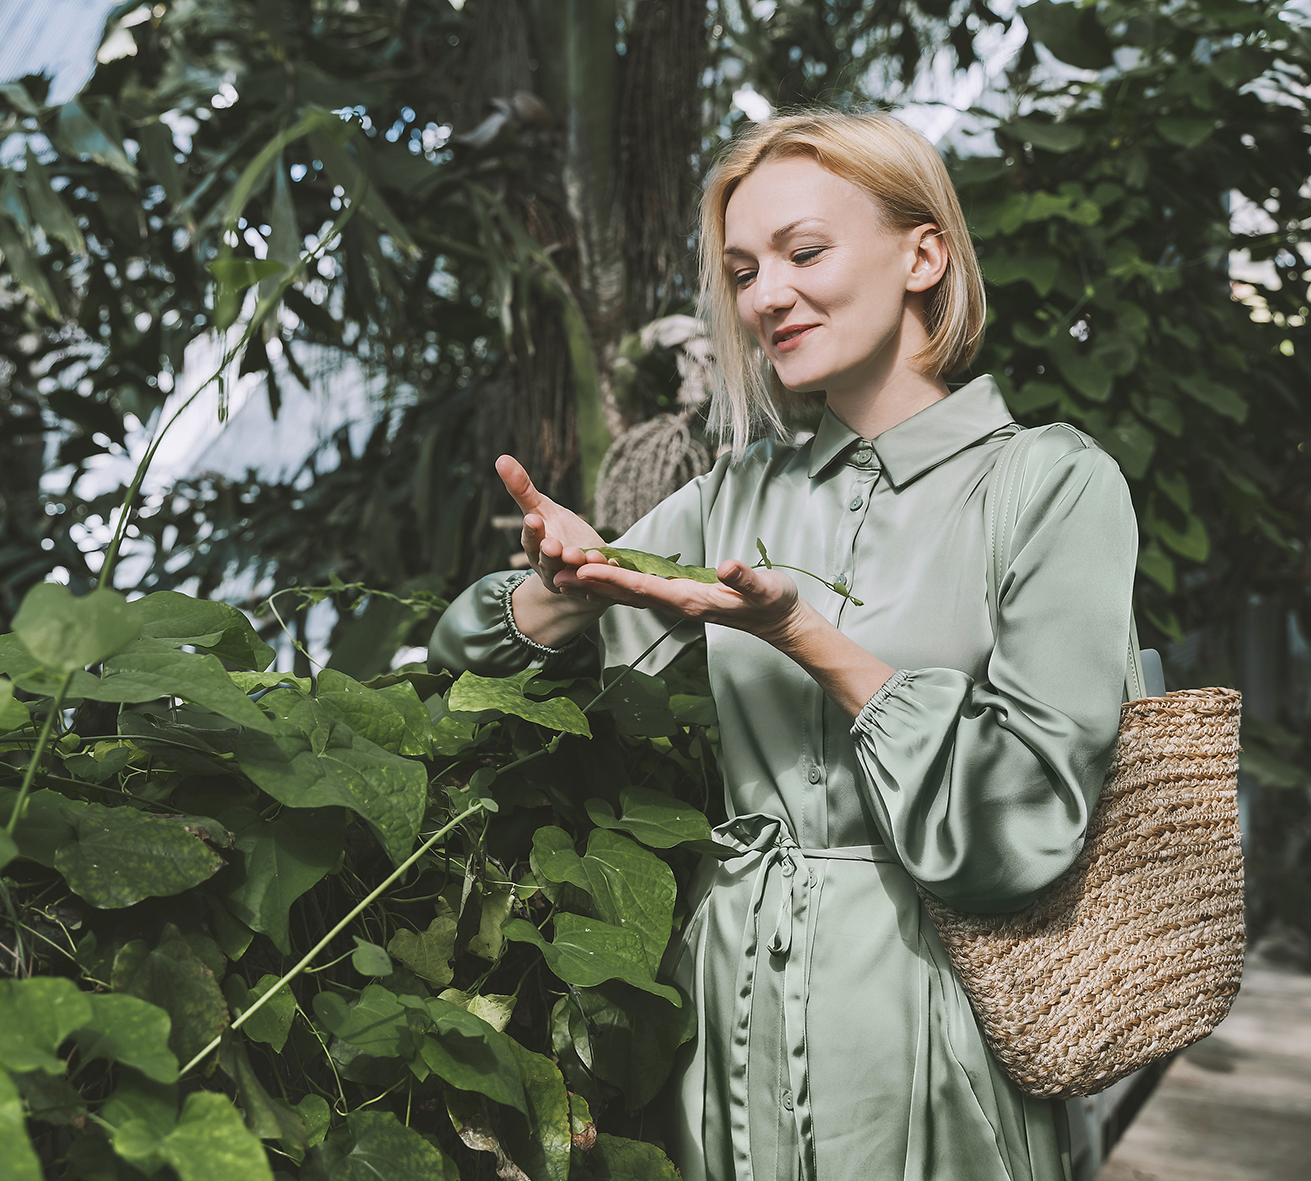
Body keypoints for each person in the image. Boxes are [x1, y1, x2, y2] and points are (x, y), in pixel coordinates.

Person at [430, 109, 1137, 1181]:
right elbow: (476, 668)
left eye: (802, 253)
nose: (765, 295)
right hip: (723, 1020)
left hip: (927, 1020)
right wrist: (559, 584)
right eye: (743, 269)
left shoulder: (1046, 484)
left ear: (922, 253)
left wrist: (800, 632)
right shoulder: (736, 494)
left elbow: (1023, 823)